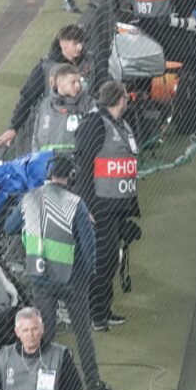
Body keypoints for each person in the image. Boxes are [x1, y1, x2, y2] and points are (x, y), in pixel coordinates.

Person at [13, 155, 110, 390]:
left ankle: (43, 389)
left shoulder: (29, 199)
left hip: (40, 278)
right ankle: (93, 383)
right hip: (72, 280)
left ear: (48, 174)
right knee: (82, 332)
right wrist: (89, 274)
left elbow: (9, 226)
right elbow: (88, 245)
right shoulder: (76, 204)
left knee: (43, 335)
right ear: (71, 177)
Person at [70, 79, 136, 330]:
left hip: (114, 206)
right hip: (98, 207)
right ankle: (96, 316)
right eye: (125, 97)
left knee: (109, 261)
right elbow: (83, 169)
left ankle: (103, 311)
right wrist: (86, 207)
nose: (127, 101)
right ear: (120, 99)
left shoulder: (119, 124)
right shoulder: (95, 124)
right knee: (101, 261)